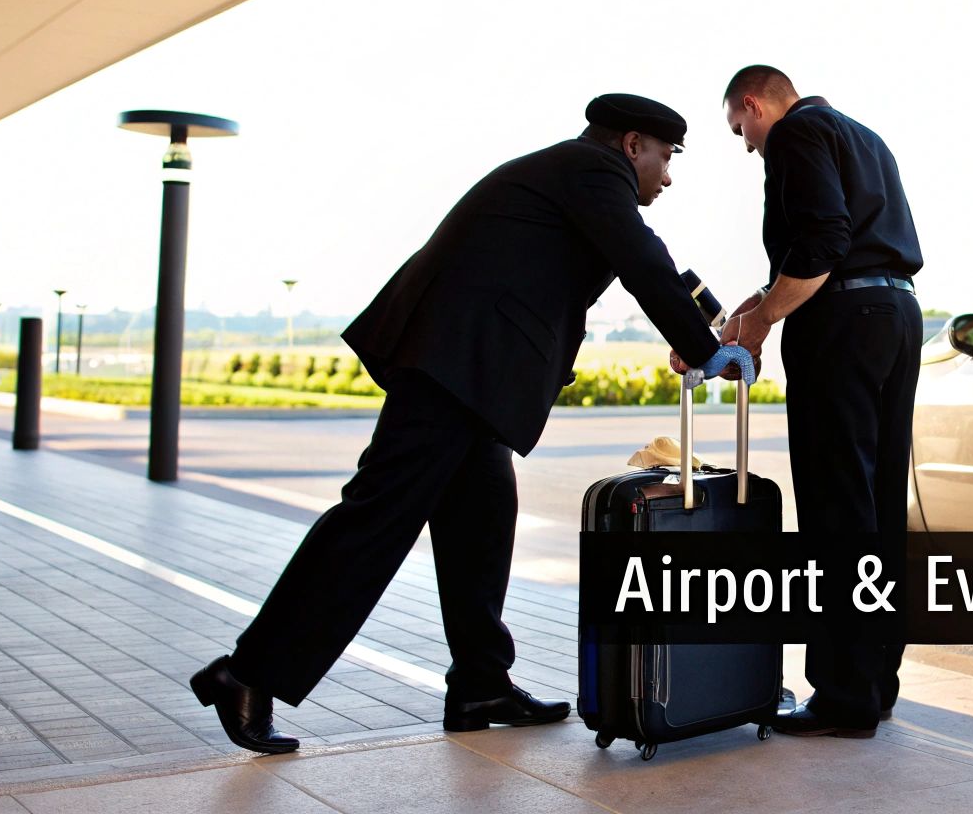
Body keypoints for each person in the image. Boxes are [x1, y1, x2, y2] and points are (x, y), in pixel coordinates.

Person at [191, 94, 728, 754]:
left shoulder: (574, 178)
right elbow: (646, 260)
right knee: (375, 520)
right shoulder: (594, 173)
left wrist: (698, 324)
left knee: (482, 520)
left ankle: (480, 681)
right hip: (453, 368)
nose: (667, 177)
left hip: (468, 374)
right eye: (667, 158)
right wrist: (705, 350)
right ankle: (246, 675)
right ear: (633, 144)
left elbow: (624, 270)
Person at [699, 64, 924, 738]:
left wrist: (766, 320)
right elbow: (820, 250)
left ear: (753, 104)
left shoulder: (796, 134)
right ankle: (876, 682)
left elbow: (823, 246)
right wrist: (753, 308)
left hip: (844, 327)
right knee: (878, 502)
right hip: (895, 314)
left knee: (836, 510)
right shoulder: (864, 137)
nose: (748, 146)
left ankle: (843, 696)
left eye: (742, 131)